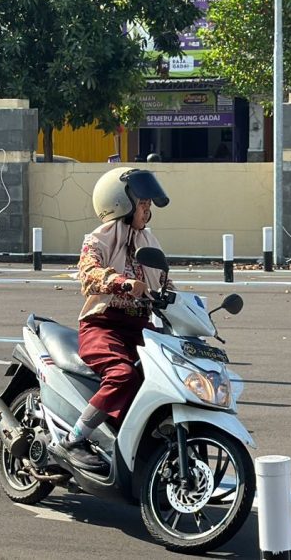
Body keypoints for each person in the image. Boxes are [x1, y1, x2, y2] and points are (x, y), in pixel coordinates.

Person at [49, 167, 170, 472]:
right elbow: (88, 274)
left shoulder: (149, 241)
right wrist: (122, 282)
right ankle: (73, 440)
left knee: (167, 378)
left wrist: (191, 308)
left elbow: (167, 284)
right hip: (103, 324)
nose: (148, 208)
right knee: (122, 374)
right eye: (142, 202)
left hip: (141, 328)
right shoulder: (98, 239)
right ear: (121, 202)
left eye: (148, 203)